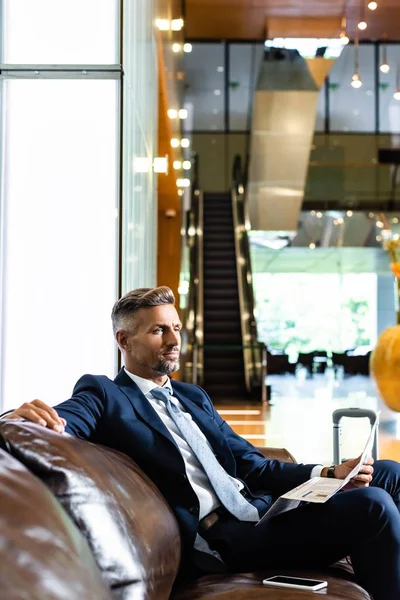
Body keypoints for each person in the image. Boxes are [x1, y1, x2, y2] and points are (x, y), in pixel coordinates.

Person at [4, 286, 400, 599]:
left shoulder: (193, 396)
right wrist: (24, 419)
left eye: (176, 327)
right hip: (226, 539)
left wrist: (329, 472)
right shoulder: (107, 393)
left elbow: (253, 464)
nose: (173, 339)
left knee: (387, 473)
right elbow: (70, 417)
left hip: (262, 511)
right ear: (124, 340)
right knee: (373, 505)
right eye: (158, 330)